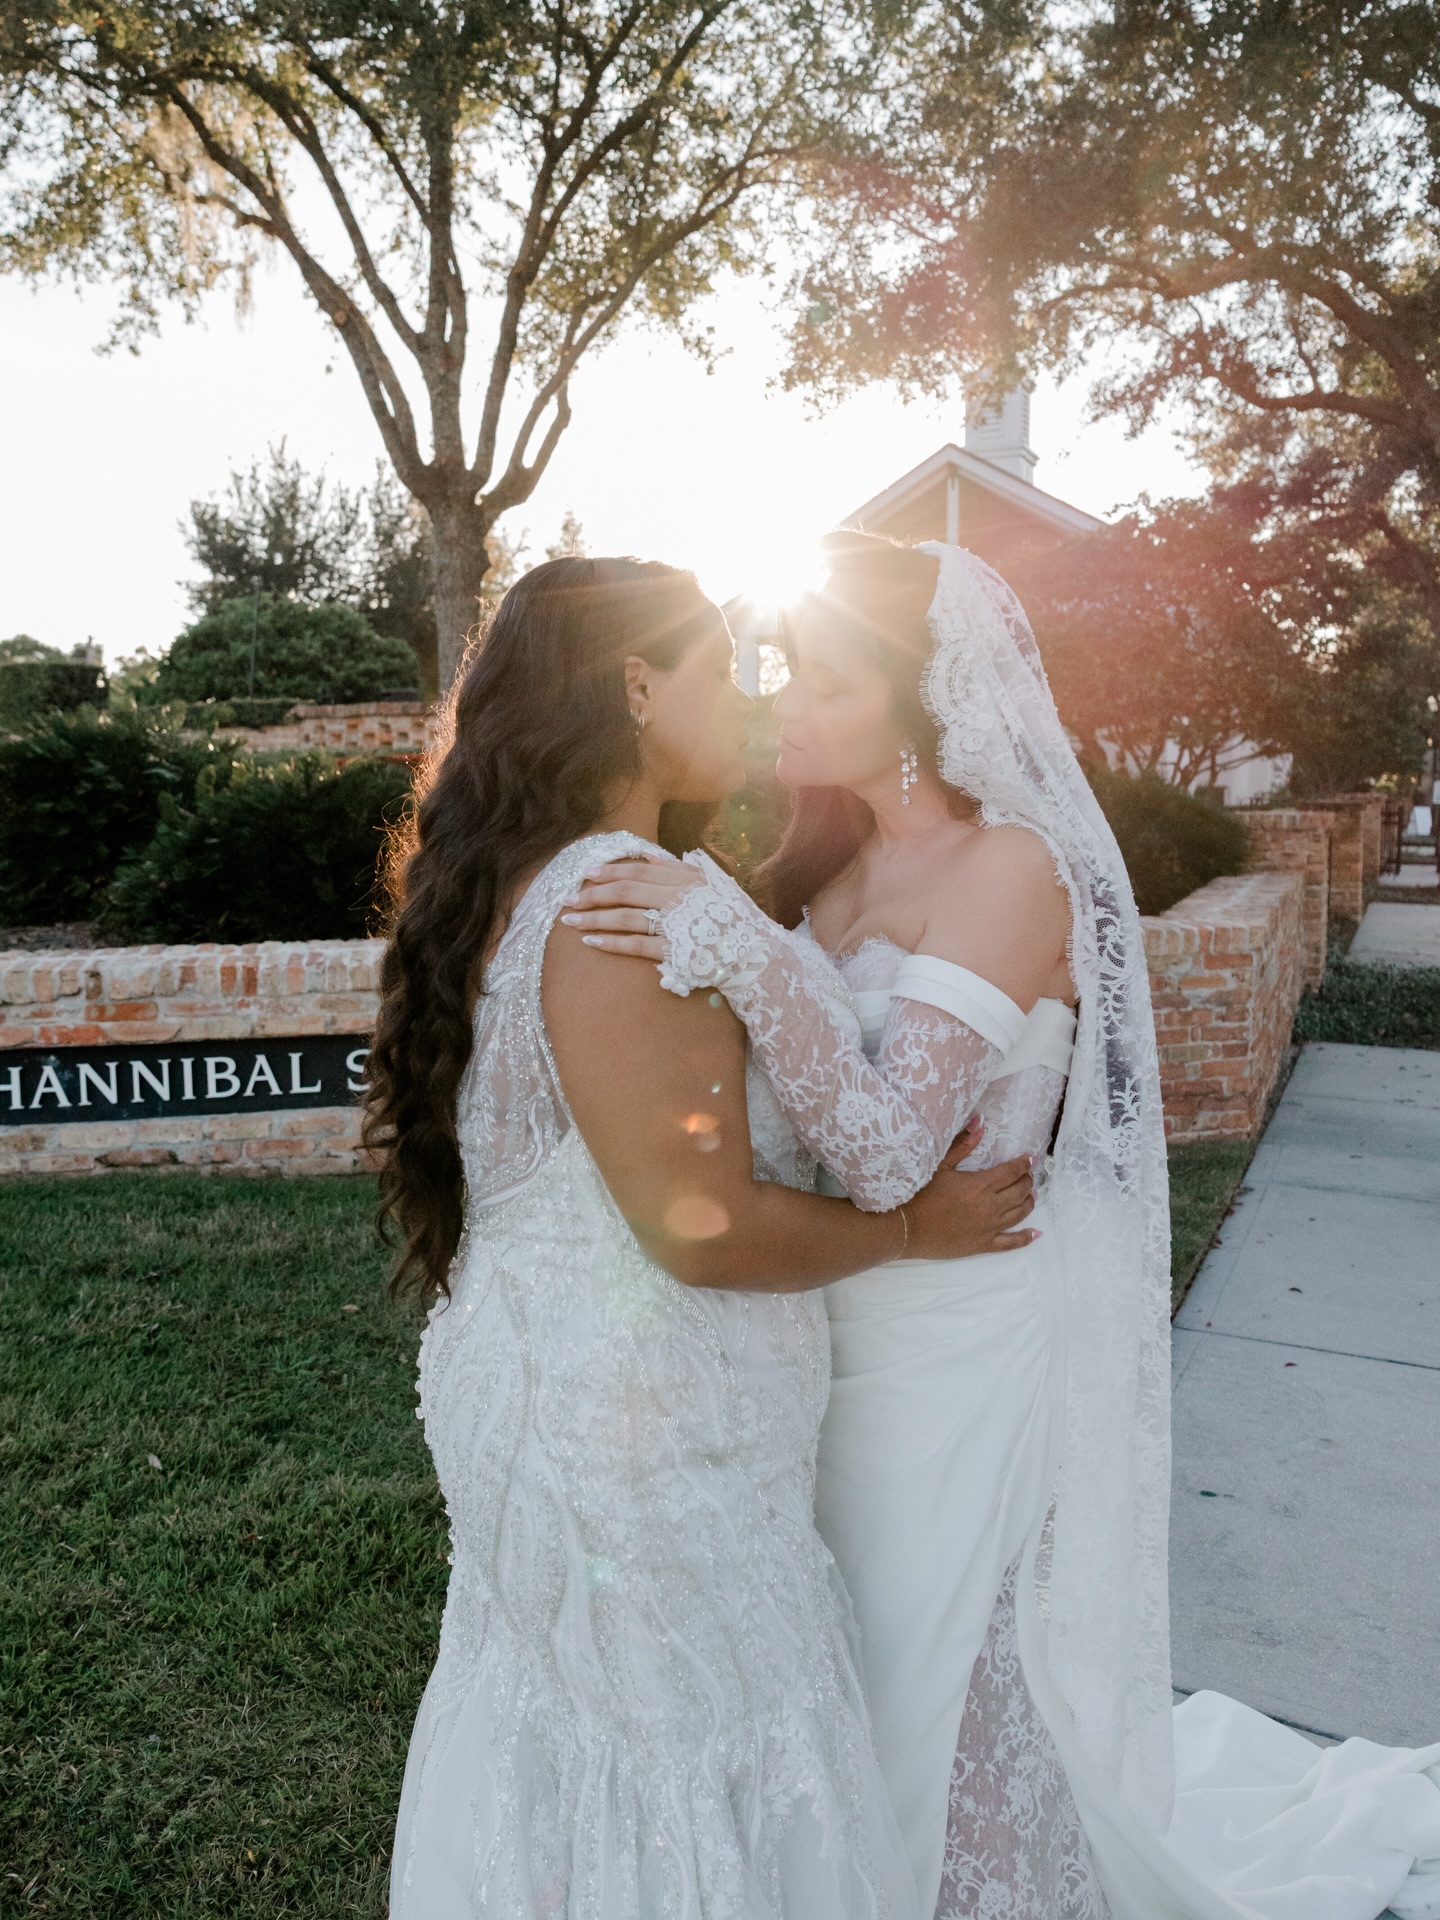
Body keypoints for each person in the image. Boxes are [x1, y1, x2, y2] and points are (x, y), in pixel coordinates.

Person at [563, 534, 1440, 1920]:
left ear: (921, 708)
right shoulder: (808, 876)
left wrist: (730, 945)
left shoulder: (1011, 870)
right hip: (816, 1327)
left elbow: (888, 1148)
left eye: (824, 682)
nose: (782, 704)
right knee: (839, 1661)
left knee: (931, 1663)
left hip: (959, 1331)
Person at [363, 554, 1037, 1918]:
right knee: (694, 1748)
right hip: (644, 1435)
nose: (750, 698)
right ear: (636, 684)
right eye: (726, 666)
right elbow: (707, 1229)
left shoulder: (558, 878)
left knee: (579, 1733)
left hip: (563, 1396)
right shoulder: (626, 908)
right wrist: (913, 1230)